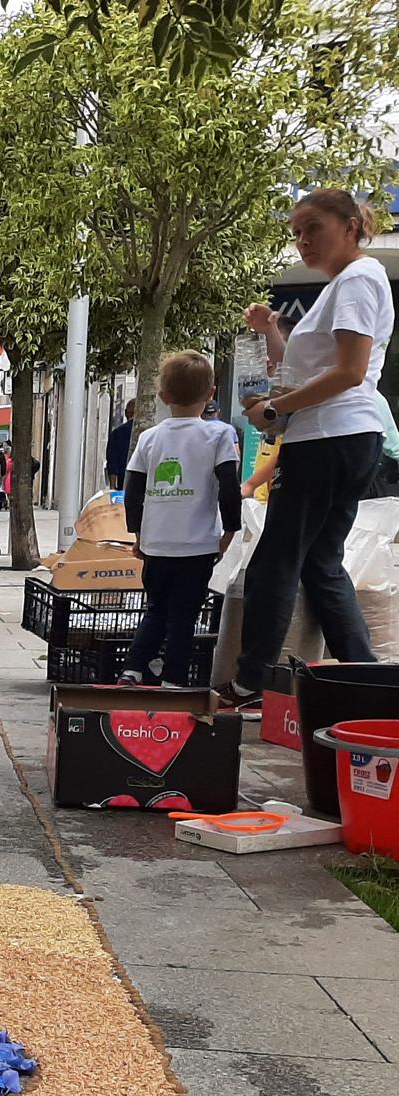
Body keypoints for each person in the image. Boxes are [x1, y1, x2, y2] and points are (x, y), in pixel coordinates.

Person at [224, 189, 395, 707]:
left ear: (349, 226)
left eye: (313, 227)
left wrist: (275, 413)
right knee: (320, 562)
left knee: (276, 560)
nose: (302, 241)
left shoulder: (359, 279)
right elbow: (299, 373)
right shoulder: (341, 285)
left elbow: (349, 372)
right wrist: (272, 329)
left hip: (329, 437)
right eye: (296, 231)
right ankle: (364, 680)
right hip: (336, 436)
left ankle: (250, 681)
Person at [120, 350, 241, 688]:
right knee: (184, 615)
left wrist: (139, 534)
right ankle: (174, 680)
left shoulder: (149, 437)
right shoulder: (219, 435)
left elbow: (133, 490)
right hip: (198, 545)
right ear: (211, 394)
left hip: (157, 544)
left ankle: (133, 668)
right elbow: (229, 486)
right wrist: (230, 530)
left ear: (163, 396)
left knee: (156, 608)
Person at [105, 398, 138, 490]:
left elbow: (112, 463)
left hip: (124, 484)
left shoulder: (117, 433)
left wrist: (112, 487)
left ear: (126, 413)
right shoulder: (149, 433)